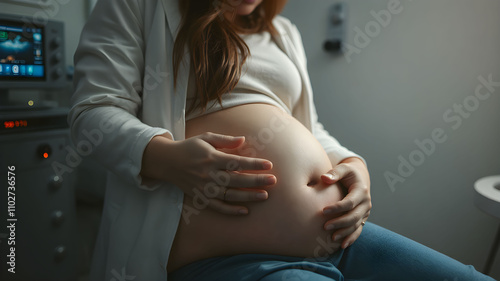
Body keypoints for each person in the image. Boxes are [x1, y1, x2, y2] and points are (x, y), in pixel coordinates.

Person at [68, 0, 496, 280]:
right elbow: (92, 114)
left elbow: (309, 127)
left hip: (338, 239)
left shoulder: (283, 33)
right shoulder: (138, 6)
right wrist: (167, 157)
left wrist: (355, 166)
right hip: (226, 258)